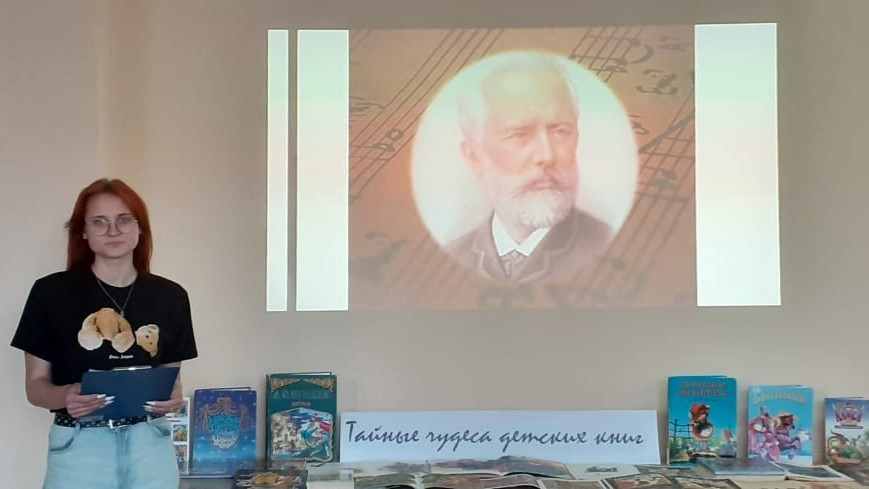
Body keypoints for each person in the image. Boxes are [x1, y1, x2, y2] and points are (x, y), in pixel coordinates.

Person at [10, 178, 198, 489]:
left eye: (124, 219)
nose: (113, 231)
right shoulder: (50, 293)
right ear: (83, 231)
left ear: (140, 228)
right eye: (99, 222)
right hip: (80, 445)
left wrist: (174, 398)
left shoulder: (170, 296)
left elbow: (173, 380)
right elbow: (35, 386)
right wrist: (65, 396)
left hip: (150, 444)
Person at [445, 52, 612, 283]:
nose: (547, 155)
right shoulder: (447, 258)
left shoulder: (611, 247)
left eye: (560, 131)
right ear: (474, 157)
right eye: (520, 134)